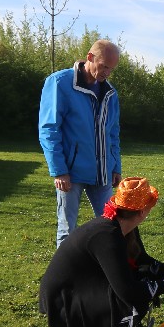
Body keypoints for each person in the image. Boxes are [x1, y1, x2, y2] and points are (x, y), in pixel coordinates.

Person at [39, 177, 164, 327]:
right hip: (63, 300)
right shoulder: (107, 235)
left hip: (81, 287)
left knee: (142, 281)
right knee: (134, 300)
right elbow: (128, 292)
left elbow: (141, 259)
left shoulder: (122, 227)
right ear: (142, 212)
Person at [39, 39, 122, 248]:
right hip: (71, 173)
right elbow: (49, 129)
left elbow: (113, 132)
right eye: (104, 66)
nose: (107, 73)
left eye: (111, 69)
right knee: (68, 230)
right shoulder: (59, 83)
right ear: (90, 57)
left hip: (103, 173)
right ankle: (64, 270)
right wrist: (59, 170)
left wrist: (115, 166)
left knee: (111, 227)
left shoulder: (110, 93)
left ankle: (104, 267)